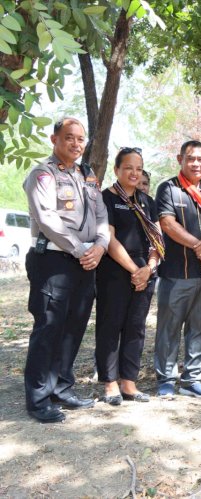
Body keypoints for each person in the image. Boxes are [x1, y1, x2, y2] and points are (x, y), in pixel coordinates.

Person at [23, 117, 110, 423]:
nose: (76, 144)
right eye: (69, 138)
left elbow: (101, 215)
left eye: (80, 139)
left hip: (86, 260)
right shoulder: (43, 175)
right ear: (54, 139)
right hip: (54, 261)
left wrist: (100, 246)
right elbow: (47, 218)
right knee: (48, 329)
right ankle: (38, 399)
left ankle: (62, 387)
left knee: (73, 328)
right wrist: (81, 248)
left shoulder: (87, 176)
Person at [154, 140, 201, 399]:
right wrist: (199, 245)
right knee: (169, 327)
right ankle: (165, 379)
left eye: (200, 159)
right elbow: (167, 223)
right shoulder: (169, 188)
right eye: (190, 158)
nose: (195, 163)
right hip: (177, 273)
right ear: (180, 160)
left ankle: (193, 379)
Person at [96, 147, 163, 405]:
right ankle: (110, 383)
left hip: (145, 273)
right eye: (128, 168)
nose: (134, 173)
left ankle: (129, 382)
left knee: (136, 328)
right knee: (110, 325)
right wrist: (135, 271)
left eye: (138, 168)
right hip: (115, 272)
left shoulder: (147, 201)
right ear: (117, 170)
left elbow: (158, 240)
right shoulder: (107, 198)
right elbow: (109, 239)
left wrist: (148, 268)